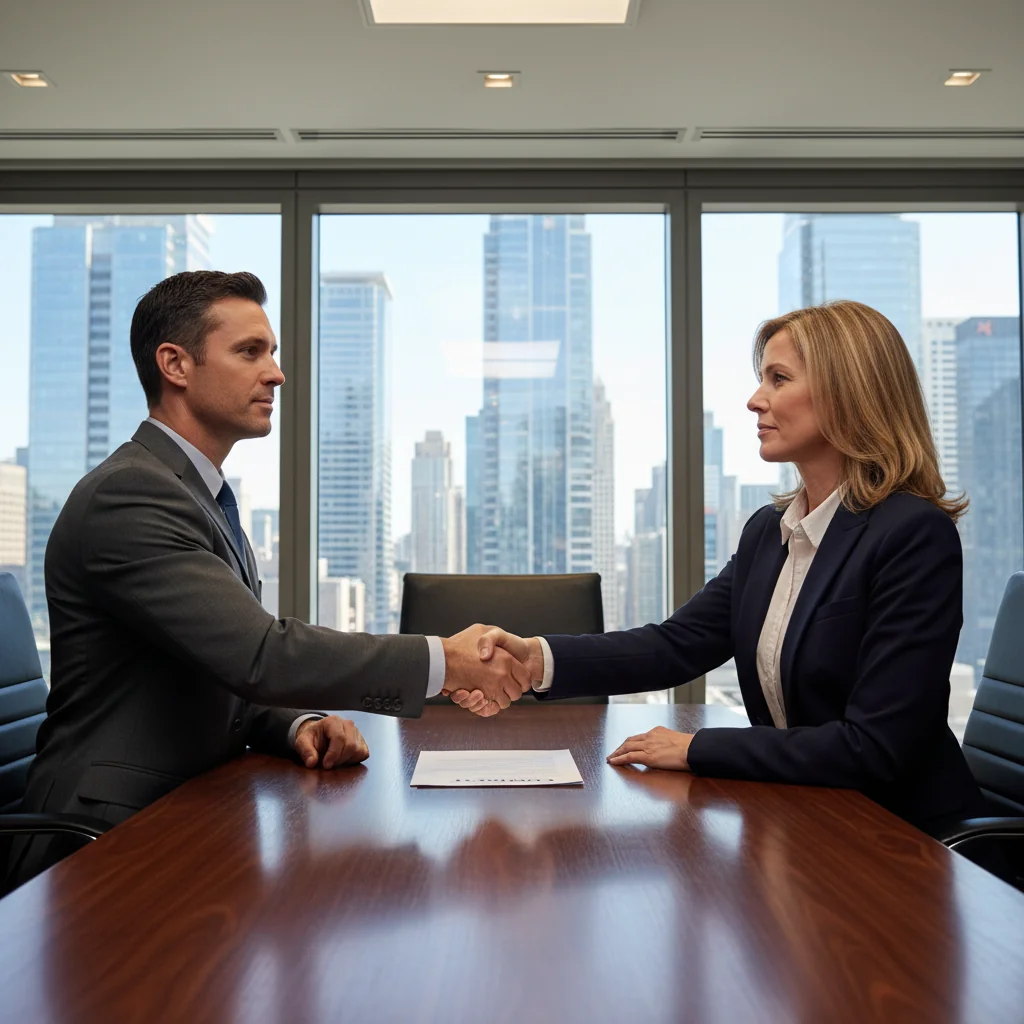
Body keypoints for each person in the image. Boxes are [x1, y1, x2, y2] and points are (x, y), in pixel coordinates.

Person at [8, 270, 528, 888]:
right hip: (110, 840)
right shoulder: (132, 496)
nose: (276, 373)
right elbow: (260, 655)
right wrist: (448, 660)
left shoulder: (195, 494)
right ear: (175, 364)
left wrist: (297, 725)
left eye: (273, 353)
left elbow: (217, 669)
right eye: (250, 352)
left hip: (192, 814)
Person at [454, 300, 987, 836]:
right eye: (762, 380)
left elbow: (873, 747)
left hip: (902, 839)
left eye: (779, 379)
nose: (756, 400)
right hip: (804, 820)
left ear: (848, 393)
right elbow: (673, 646)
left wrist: (696, 748)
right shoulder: (768, 532)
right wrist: (533, 660)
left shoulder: (912, 535)